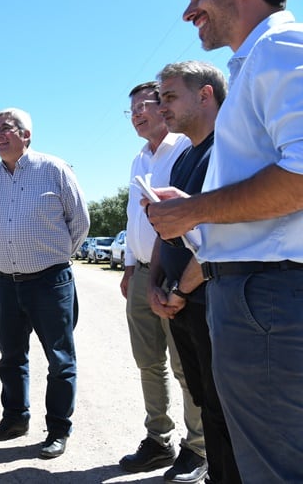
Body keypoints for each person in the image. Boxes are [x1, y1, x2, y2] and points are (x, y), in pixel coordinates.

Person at [147, 0, 302, 481]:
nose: (189, 12)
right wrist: (195, 215)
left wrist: (194, 210)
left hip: (268, 296)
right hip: (254, 294)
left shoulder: (280, 48)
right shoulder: (257, 61)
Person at [0, 107, 89, 459]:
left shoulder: (54, 169)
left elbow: (80, 222)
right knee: (11, 357)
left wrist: (52, 259)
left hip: (49, 282)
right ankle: (14, 419)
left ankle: (57, 428)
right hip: (5, 283)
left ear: (26, 135)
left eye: (7, 128)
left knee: (60, 359)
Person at [147, 61, 240, 484]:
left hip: (213, 300)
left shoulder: (231, 150)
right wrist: (155, 282)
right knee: (207, 402)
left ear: (205, 94)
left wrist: (181, 290)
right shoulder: (186, 155)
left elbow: (227, 233)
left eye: (170, 97)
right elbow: (167, 226)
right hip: (182, 301)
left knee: (227, 410)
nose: (161, 107)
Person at [117, 81, 206, 482]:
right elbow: (136, 220)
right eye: (131, 109)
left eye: (144, 105)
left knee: (185, 363)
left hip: (178, 271)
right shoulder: (139, 158)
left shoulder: (185, 148)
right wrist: (130, 267)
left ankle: (198, 447)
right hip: (141, 273)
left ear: (165, 107)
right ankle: (159, 439)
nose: (137, 113)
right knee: (147, 362)